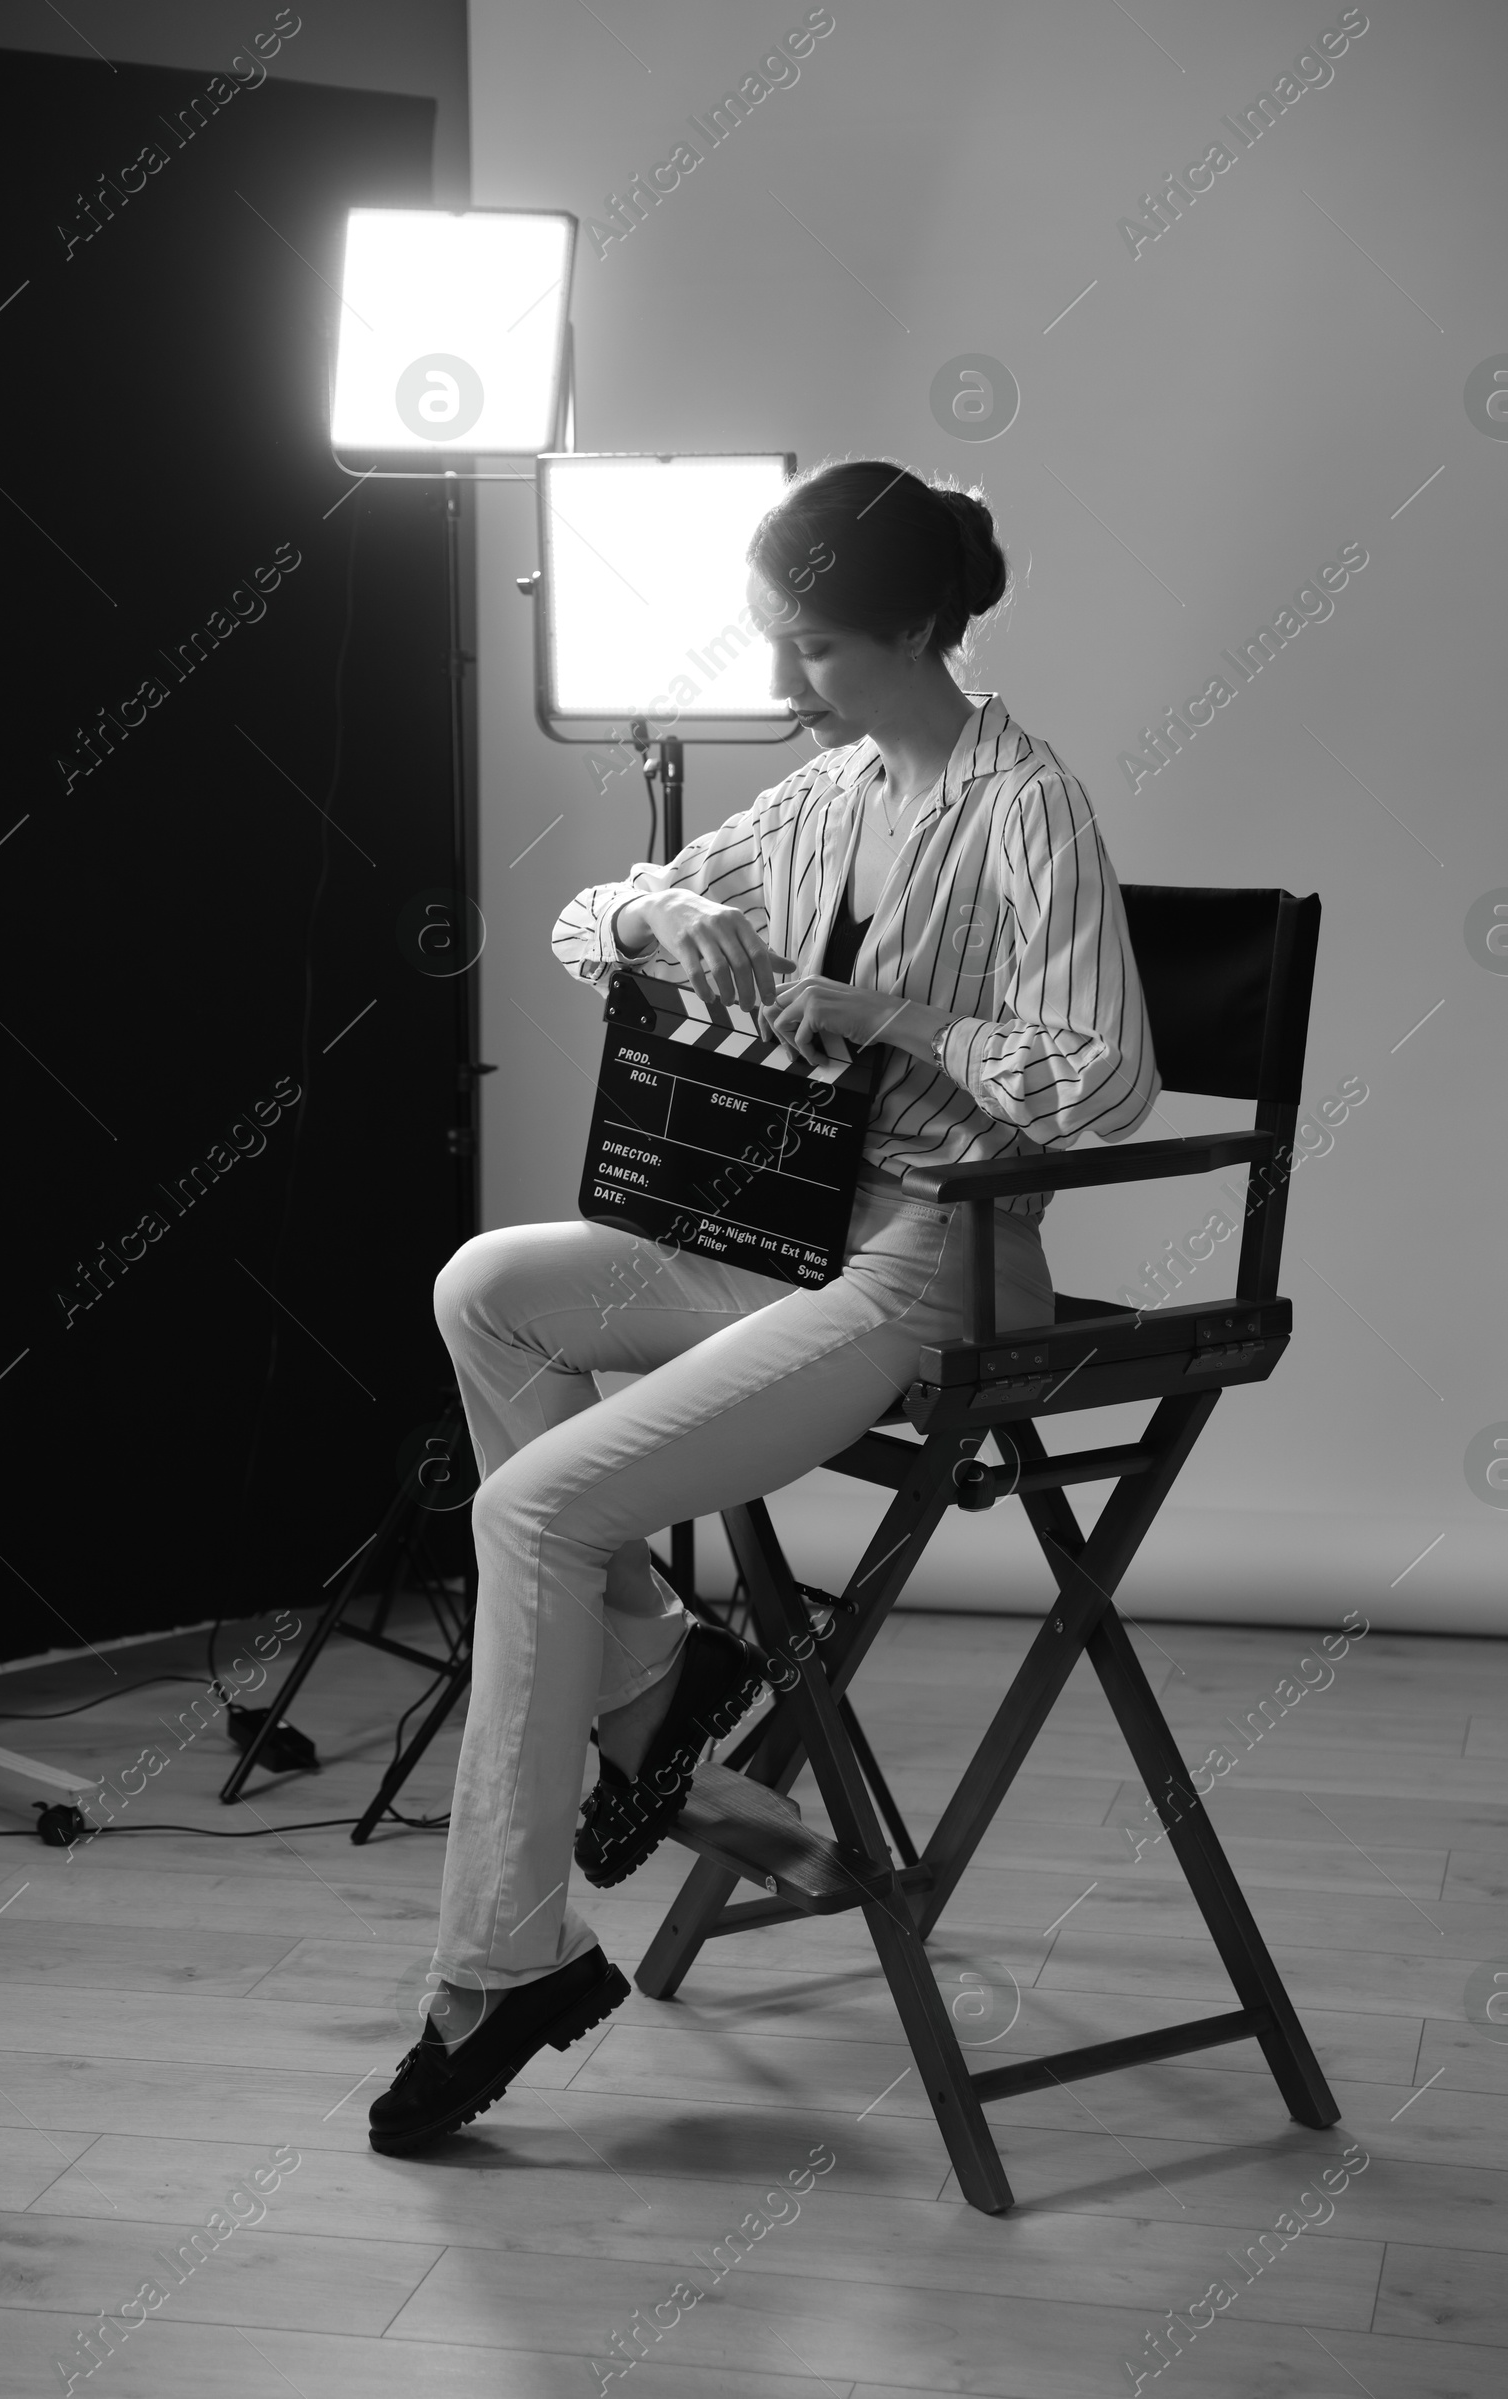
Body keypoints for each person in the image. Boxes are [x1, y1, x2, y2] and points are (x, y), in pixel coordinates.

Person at [368, 457, 1159, 2155]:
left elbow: (1106, 1085)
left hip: (938, 1258)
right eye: (774, 645)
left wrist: (893, 1022)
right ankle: (654, 1680)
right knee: (488, 1288)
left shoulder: (1029, 804)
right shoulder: (830, 792)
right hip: (786, 1233)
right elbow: (594, 923)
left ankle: (502, 1964)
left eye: (809, 652)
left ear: (918, 630)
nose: (782, 687)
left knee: (532, 1512)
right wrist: (661, 910)